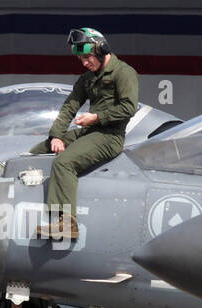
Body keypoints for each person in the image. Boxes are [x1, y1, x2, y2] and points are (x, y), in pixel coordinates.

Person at [31, 28, 139, 241]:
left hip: (110, 136)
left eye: (87, 57)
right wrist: (56, 136)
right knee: (37, 152)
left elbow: (129, 108)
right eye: (80, 58)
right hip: (89, 131)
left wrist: (96, 117)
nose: (84, 63)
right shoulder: (87, 78)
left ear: (101, 51)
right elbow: (69, 107)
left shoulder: (124, 73)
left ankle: (66, 223)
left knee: (64, 162)